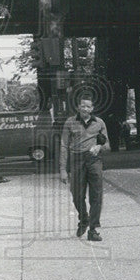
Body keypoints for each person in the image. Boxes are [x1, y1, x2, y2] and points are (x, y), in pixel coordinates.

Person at [60, 96, 110, 241]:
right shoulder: (70, 122)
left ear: (92, 108)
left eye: (88, 106)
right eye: (83, 106)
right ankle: (84, 218)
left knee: (96, 195)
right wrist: (63, 169)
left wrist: (99, 146)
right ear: (78, 107)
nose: (85, 109)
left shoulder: (99, 123)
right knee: (76, 195)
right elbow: (63, 145)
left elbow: (108, 145)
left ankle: (93, 229)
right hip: (76, 160)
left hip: (94, 160)